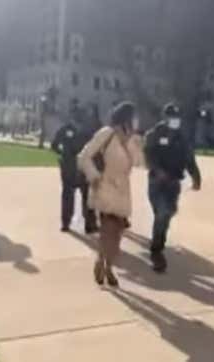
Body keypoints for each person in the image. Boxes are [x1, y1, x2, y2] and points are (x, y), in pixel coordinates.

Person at [78, 102, 142, 287]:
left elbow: (138, 162)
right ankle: (104, 266)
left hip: (123, 190)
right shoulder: (106, 134)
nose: (137, 121)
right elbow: (84, 156)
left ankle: (106, 263)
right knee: (108, 230)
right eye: (134, 117)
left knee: (117, 235)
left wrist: (132, 143)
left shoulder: (132, 139)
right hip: (104, 185)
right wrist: (93, 176)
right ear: (126, 117)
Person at [144, 104, 201, 273]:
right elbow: (148, 154)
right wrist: (157, 170)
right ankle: (156, 251)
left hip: (174, 183)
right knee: (162, 213)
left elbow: (189, 159)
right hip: (157, 182)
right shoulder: (155, 134)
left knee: (167, 214)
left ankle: (158, 242)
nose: (175, 120)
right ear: (165, 117)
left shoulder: (182, 138)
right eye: (171, 117)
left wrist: (196, 178)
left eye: (177, 117)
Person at [51, 111, 97, 233]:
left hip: (73, 165)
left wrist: (63, 155)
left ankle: (69, 223)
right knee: (82, 195)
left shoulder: (67, 129)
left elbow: (54, 145)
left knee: (74, 195)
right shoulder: (87, 131)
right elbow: (54, 145)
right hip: (76, 165)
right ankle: (86, 223)